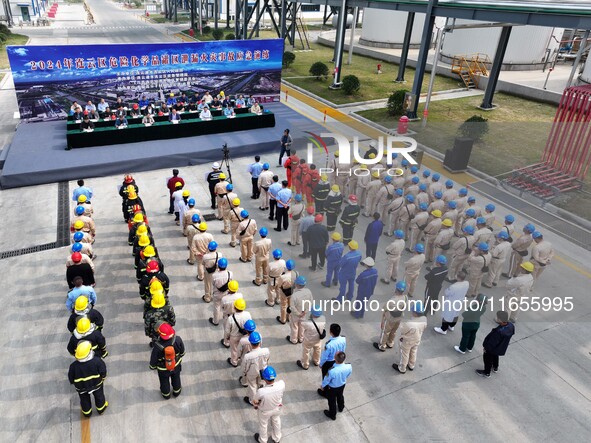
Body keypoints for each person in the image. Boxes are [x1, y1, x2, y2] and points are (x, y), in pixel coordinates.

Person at [68, 341, 108, 417]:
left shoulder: (73, 366)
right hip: (96, 384)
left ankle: (87, 413)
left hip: (81, 387)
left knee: (84, 399)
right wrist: (103, 377)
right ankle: (101, 409)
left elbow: (71, 377)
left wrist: (73, 382)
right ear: (89, 352)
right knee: (99, 396)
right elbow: (103, 370)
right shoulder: (97, 361)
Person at [149, 323, 185, 399]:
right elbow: (182, 352)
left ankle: (166, 395)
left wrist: (153, 367)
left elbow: (153, 362)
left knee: (164, 381)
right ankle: (177, 392)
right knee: (176, 378)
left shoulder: (157, 347)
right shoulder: (178, 339)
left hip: (163, 369)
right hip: (176, 365)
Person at [476, 311, 515, 378]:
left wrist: (486, 348)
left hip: (492, 348)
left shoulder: (499, 332)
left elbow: (492, 342)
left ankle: (487, 372)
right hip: (501, 347)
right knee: (495, 356)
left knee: (488, 359)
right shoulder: (511, 326)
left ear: (500, 320)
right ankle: (495, 367)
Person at [393, 301, 427, 374]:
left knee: (405, 354)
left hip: (408, 341)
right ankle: (411, 365)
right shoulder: (424, 319)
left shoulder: (410, 323)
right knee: (413, 352)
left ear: (415, 312)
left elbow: (403, 330)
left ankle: (402, 368)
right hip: (417, 339)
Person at [252, 366, 285, 443]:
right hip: (277, 408)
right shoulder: (281, 384)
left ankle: (263, 440)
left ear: (264, 378)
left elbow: (255, 401)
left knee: (263, 424)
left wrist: (256, 406)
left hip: (265, 411)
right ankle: (277, 438)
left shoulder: (261, 391)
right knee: (276, 421)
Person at [374, 281, 407, 352]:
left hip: (390, 319)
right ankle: (390, 342)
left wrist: (382, 320)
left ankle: (382, 345)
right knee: (394, 331)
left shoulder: (392, 300)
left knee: (385, 332)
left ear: (396, 289)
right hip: (399, 318)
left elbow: (384, 309)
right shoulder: (405, 297)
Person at [434, 270, 469, 334]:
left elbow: (447, 293)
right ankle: (451, 326)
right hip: (459, 302)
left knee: (447, 315)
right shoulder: (466, 283)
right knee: (455, 314)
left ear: (458, 277)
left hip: (452, 302)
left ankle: (443, 329)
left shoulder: (454, 286)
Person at [321, 351, 352, 420]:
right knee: (340, 395)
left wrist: (322, 386)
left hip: (333, 388)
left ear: (335, 358)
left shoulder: (332, 371)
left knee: (332, 401)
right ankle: (341, 407)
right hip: (342, 385)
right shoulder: (348, 366)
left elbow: (326, 380)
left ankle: (332, 414)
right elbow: (348, 374)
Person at [242, 332, 270, 405]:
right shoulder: (266, 351)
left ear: (250, 343)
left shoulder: (248, 356)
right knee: (261, 384)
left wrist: (244, 373)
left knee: (252, 386)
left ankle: (253, 401)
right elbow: (267, 359)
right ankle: (262, 398)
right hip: (262, 370)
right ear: (259, 341)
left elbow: (244, 367)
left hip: (252, 372)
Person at [225, 298, 252, 367]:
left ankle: (234, 362)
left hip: (234, 336)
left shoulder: (231, 318)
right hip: (245, 335)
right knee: (242, 349)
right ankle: (241, 359)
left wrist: (227, 337)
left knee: (234, 349)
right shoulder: (248, 314)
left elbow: (227, 330)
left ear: (234, 307)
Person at [286, 276, 313, 345]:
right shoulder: (308, 292)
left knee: (294, 327)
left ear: (297, 284)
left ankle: (294, 340)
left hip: (295, 314)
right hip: (304, 314)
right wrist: (305, 312)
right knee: (302, 326)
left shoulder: (294, 295)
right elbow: (311, 303)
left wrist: (298, 314)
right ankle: (301, 338)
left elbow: (292, 307)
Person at [276, 260, 297, 324]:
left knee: (283, 306)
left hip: (284, 292)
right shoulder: (295, 274)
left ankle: (283, 319)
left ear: (286, 267)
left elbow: (279, 285)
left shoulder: (282, 277)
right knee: (290, 305)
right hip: (292, 291)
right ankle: (289, 317)